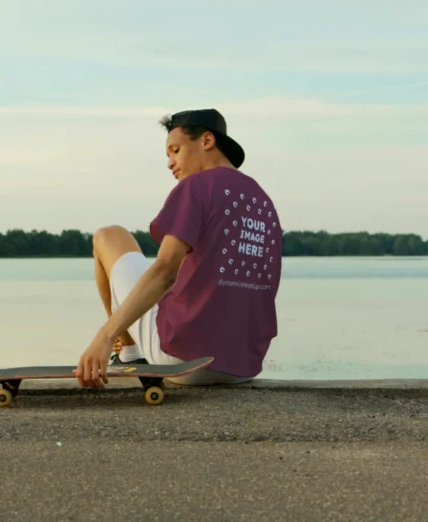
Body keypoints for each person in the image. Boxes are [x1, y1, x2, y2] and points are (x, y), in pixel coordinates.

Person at [74, 108, 282, 389]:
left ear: (207, 141)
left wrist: (104, 337)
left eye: (175, 150)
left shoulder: (197, 186)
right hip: (245, 365)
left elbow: (164, 271)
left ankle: (129, 352)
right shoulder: (263, 200)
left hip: (182, 359)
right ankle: (132, 349)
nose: (171, 163)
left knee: (108, 236)